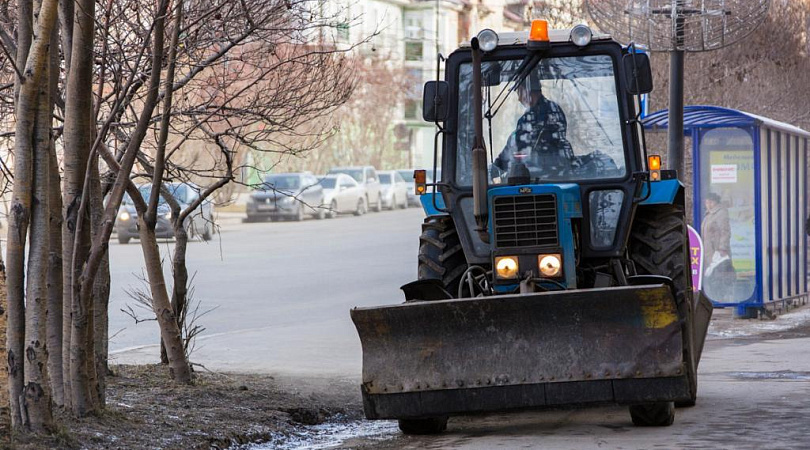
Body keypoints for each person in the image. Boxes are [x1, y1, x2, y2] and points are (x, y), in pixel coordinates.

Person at [491, 74, 576, 179]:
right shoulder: (552, 109)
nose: (519, 98)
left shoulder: (540, 115)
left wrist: (497, 166)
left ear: (526, 90)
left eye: (519, 92)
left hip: (542, 177)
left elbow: (518, 144)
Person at [702, 192, 735, 301]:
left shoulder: (721, 213)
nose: (708, 204)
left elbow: (725, 231)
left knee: (719, 275)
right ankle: (714, 298)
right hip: (708, 250)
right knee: (712, 275)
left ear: (716, 202)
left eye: (711, 202)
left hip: (718, 251)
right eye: (707, 202)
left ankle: (720, 298)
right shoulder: (708, 214)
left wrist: (722, 248)